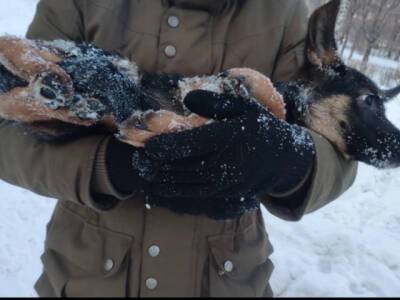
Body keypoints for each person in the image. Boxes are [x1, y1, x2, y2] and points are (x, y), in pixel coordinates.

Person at [0, 0, 357, 297]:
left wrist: (289, 160)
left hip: (229, 280)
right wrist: (107, 165)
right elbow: (8, 126)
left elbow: (339, 142)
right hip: (85, 279)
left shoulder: (283, 11)